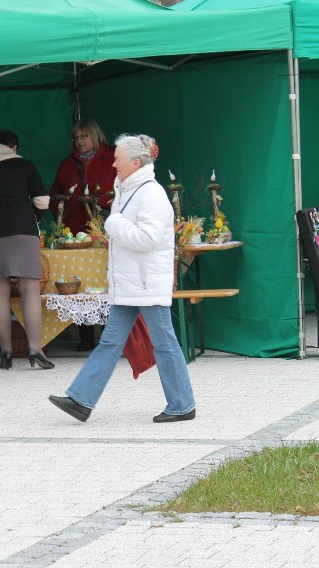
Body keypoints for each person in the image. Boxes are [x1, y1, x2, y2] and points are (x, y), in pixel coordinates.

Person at [49, 134, 197, 424]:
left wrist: (114, 224)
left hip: (144, 282)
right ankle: (81, 400)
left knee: (164, 342)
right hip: (131, 283)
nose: (113, 162)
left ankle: (182, 404)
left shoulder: (151, 194)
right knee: (111, 342)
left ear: (136, 162)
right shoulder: (128, 190)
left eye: (117, 158)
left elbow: (148, 238)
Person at [0, 130, 54, 370]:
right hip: (23, 229)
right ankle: (35, 348)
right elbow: (43, 200)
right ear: (14, 146)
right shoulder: (25, 165)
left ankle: (6, 352)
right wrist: (31, 217)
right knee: (30, 290)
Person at [49, 119, 117, 351]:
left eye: (83, 137)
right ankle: (86, 337)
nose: (78, 142)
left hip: (108, 232)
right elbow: (54, 194)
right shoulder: (68, 164)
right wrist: (64, 212)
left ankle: (110, 335)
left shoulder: (114, 158)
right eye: (75, 138)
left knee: (107, 280)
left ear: (95, 135)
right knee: (82, 281)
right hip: (76, 232)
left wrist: (104, 204)